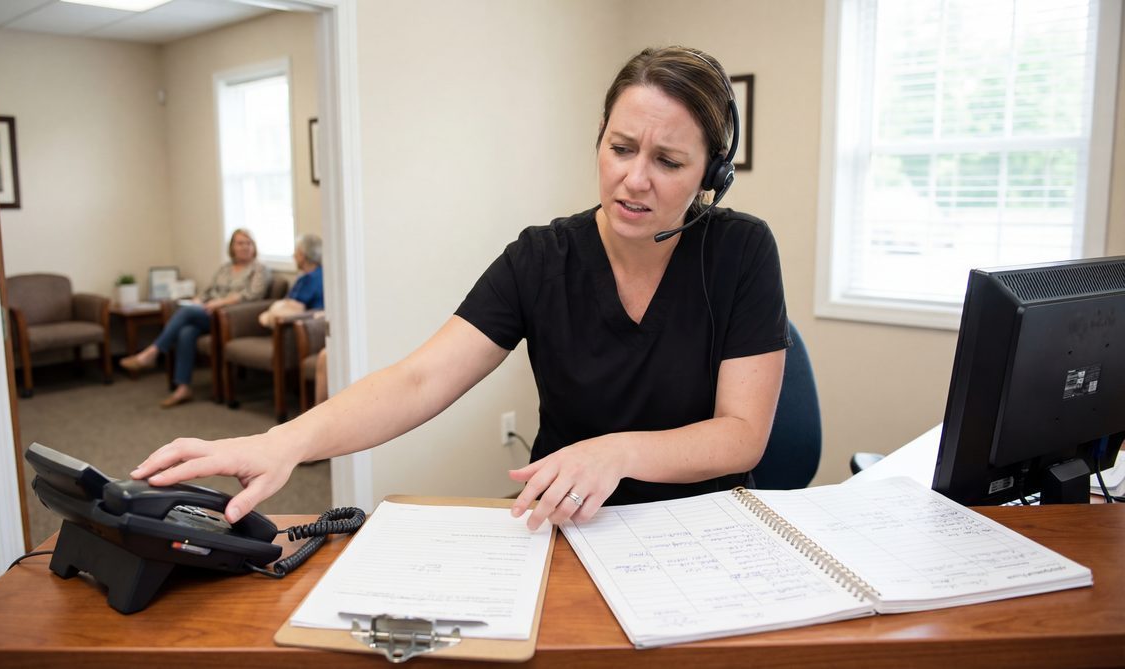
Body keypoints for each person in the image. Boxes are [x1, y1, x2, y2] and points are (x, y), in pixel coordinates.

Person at [131, 46, 789, 530]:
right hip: (565, 526)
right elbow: (418, 379)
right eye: (621, 149)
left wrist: (619, 452)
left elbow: (741, 435)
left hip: (704, 528)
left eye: (668, 161)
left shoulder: (741, 251)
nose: (634, 179)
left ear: (711, 175)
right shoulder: (541, 258)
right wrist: (285, 440)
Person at [121, 228, 271, 408]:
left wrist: (220, 303)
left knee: (186, 313)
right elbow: (209, 291)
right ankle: (183, 388)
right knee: (187, 331)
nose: (244, 247)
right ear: (232, 247)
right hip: (209, 314)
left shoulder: (259, 269)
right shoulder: (225, 269)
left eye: (248, 243)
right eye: (240, 243)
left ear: (254, 247)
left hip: (232, 319)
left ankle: (152, 352)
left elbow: (251, 295)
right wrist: (198, 300)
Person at [258, 233, 324, 328]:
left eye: (296, 252)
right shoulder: (321, 273)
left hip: (304, 326)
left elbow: (292, 306)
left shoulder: (309, 279)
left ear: (302, 255)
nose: (294, 256)